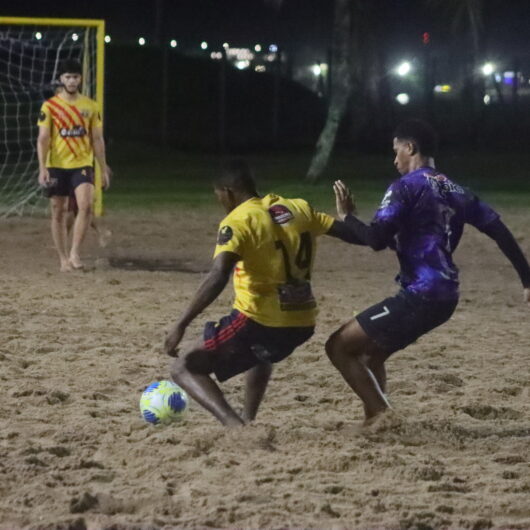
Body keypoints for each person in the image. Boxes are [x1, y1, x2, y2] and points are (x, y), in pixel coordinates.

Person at [327, 119, 530, 426]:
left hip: (422, 294)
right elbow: (498, 230)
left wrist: (347, 217)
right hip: (446, 294)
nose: (395, 160)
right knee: (370, 356)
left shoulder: (405, 187)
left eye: (397, 151)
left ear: (411, 147)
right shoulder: (453, 187)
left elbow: (375, 240)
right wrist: (526, 279)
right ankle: (376, 423)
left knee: (338, 346)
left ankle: (384, 416)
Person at [163, 159, 361, 427]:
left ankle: (236, 428)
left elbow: (218, 275)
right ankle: (249, 420)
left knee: (183, 367)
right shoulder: (297, 207)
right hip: (302, 323)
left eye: (218, 196)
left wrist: (181, 323)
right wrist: (349, 216)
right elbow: (354, 234)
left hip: (260, 321)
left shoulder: (237, 220)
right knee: (259, 353)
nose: (219, 201)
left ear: (227, 191)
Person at [37, 59, 110, 271]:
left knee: (85, 206)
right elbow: (43, 138)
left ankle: (75, 253)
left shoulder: (90, 106)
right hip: (57, 165)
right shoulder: (50, 106)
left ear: (80, 79)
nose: (72, 80)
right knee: (58, 211)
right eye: (67, 76)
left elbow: (97, 139)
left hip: (82, 164)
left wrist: (103, 167)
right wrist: (42, 168)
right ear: (61, 79)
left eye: (75, 76)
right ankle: (62, 259)